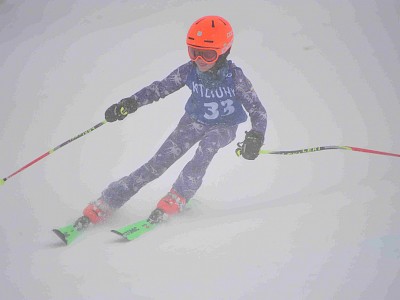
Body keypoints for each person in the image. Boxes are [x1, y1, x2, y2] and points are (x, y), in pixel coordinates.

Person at [81, 15, 267, 226]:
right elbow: (160, 88)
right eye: (194, 52)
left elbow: (257, 110)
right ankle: (110, 200)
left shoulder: (235, 78)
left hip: (224, 126)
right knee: (157, 163)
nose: (199, 60)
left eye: (207, 54)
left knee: (207, 147)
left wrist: (256, 136)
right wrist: (131, 103)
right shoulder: (189, 71)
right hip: (193, 121)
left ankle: (179, 195)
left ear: (224, 52)